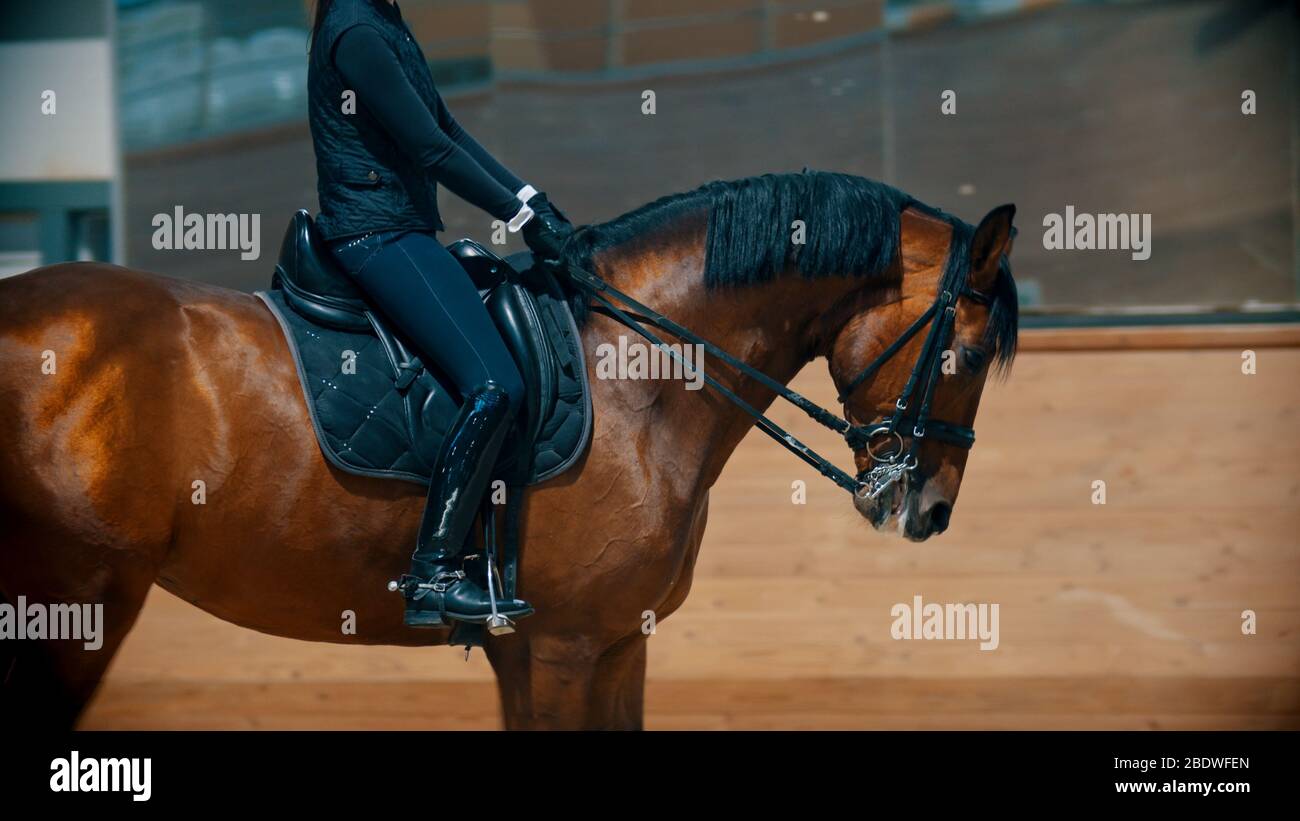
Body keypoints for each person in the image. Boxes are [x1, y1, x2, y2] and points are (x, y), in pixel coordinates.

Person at [307, 0, 572, 628]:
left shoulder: (384, 19)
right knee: (494, 385)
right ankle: (433, 574)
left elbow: (447, 127)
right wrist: (520, 219)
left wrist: (531, 200)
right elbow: (428, 148)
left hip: (407, 228)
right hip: (377, 234)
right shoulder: (359, 30)